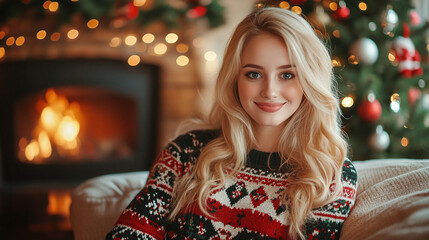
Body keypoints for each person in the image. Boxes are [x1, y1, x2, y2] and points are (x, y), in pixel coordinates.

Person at [106, 7, 357, 240]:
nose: (270, 91)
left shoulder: (329, 177)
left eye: (287, 75)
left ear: (309, 79)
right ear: (235, 78)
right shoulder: (185, 153)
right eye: (254, 74)